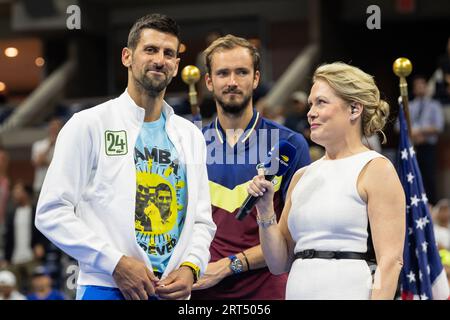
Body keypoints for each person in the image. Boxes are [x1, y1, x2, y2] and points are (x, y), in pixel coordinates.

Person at [35, 13, 216, 300]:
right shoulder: (89, 124)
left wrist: (191, 267)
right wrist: (114, 262)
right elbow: (51, 212)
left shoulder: (190, 136)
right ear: (127, 57)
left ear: (176, 65)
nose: (160, 59)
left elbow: (202, 221)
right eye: (150, 50)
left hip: (171, 290)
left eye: (169, 53)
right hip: (105, 286)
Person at [249, 62, 406, 299]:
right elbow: (278, 263)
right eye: (311, 103)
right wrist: (265, 211)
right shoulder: (302, 176)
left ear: (354, 109)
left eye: (321, 102)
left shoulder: (376, 169)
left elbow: (390, 261)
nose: (310, 112)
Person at [191, 35, 310, 300]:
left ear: (255, 79)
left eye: (241, 72)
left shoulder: (289, 144)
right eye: (223, 73)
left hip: (267, 292)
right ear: (209, 82)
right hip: (201, 291)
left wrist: (229, 265)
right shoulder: (189, 143)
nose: (232, 82)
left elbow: (294, 237)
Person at [3, 182, 46, 292]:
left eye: (18, 191)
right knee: (11, 288)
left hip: (31, 257)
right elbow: (8, 237)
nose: (14, 193)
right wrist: (6, 258)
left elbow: (43, 229)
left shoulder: (36, 211)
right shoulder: (12, 213)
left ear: (26, 193)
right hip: (14, 258)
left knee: (36, 288)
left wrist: (40, 245)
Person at [31, 117, 63, 198]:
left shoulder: (64, 146)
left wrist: (45, 162)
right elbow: (37, 162)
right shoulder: (38, 145)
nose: (54, 130)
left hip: (57, 186)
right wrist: (50, 145)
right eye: (52, 127)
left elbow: (61, 166)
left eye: (57, 128)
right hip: (40, 185)